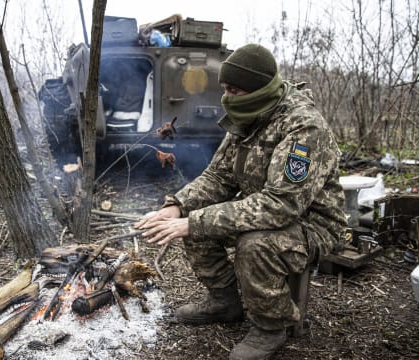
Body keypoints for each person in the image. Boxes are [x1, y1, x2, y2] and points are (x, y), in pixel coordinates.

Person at [135, 43, 347, 360]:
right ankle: (225, 301)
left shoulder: (304, 128)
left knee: (253, 243)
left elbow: (281, 205)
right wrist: (176, 206)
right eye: (225, 90)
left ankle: (270, 326)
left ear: (258, 89)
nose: (227, 98)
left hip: (311, 224)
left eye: (235, 91)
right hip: (265, 212)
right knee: (194, 218)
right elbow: (218, 177)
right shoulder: (248, 116)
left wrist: (194, 221)